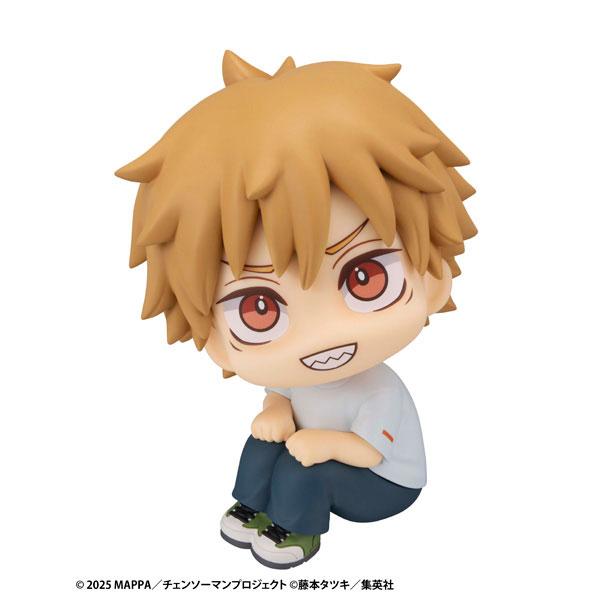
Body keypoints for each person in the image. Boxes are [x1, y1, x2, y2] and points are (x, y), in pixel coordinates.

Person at [116, 51, 477, 569]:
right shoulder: (296, 379)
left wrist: (321, 441)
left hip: (384, 485)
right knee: (266, 443)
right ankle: (253, 508)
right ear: (211, 333)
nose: (321, 335)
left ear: (434, 272)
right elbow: (281, 396)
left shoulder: (378, 390)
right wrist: (275, 411)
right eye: (259, 308)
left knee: (303, 466)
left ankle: (296, 531)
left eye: (365, 277)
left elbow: (369, 452)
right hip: (316, 455)